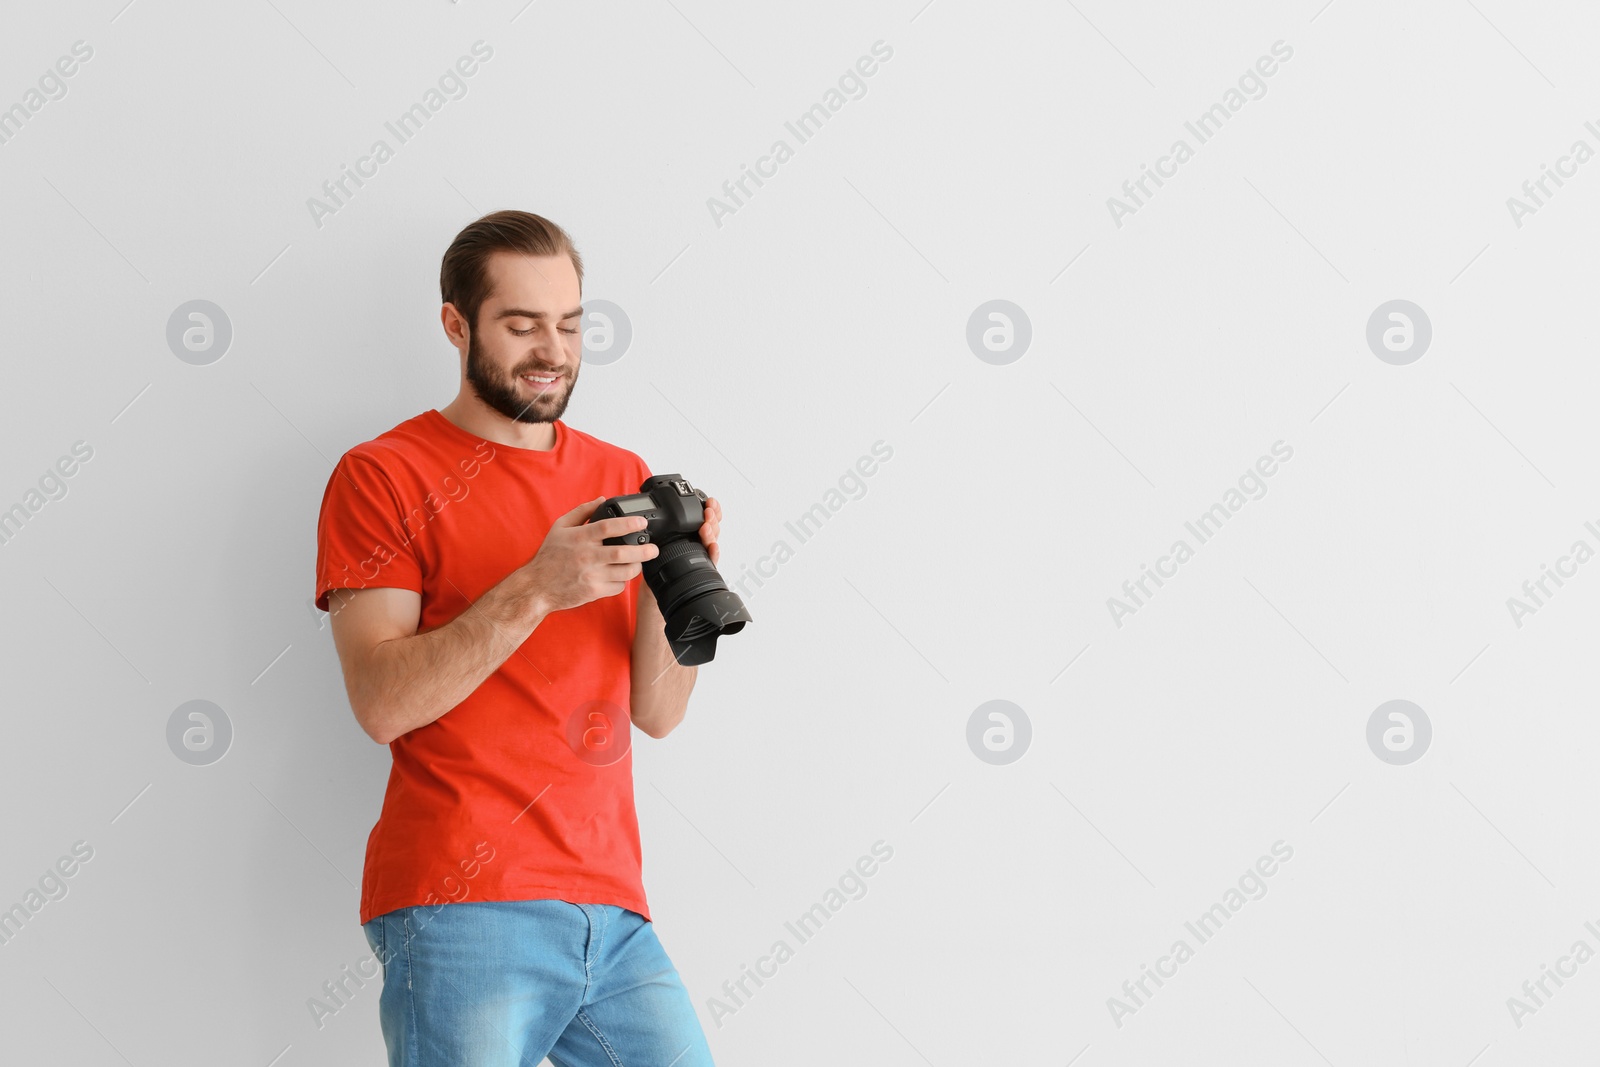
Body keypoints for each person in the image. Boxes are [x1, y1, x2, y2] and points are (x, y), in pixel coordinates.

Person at [313, 210, 719, 1067]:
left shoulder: (619, 476)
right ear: (456, 324)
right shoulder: (384, 473)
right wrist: (538, 584)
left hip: (612, 906)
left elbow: (658, 711)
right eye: (521, 323)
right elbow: (383, 702)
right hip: (463, 896)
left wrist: (680, 589)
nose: (553, 349)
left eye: (570, 324)